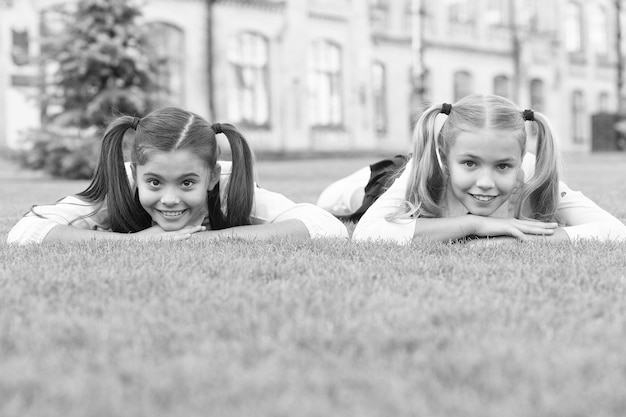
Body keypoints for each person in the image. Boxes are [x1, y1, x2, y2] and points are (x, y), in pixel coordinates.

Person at [8, 107, 348, 245]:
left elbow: (326, 227)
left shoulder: (230, 188)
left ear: (212, 176)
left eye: (187, 183)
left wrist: (203, 240)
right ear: (137, 172)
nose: (170, 198)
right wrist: (136, 243)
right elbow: (26, 232)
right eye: (154, 182)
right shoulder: (122, 187)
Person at [317, 94, 626, 244]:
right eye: (470, 163)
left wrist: (532, 240)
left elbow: (614, 230)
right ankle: (366, 193)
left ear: (520, 163)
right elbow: (369, 233)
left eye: (503, 166)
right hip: (387, 179)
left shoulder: (532, 171)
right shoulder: (428, 165)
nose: (486, 182)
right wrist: (474, 225)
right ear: (446, 158)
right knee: (341, 202)